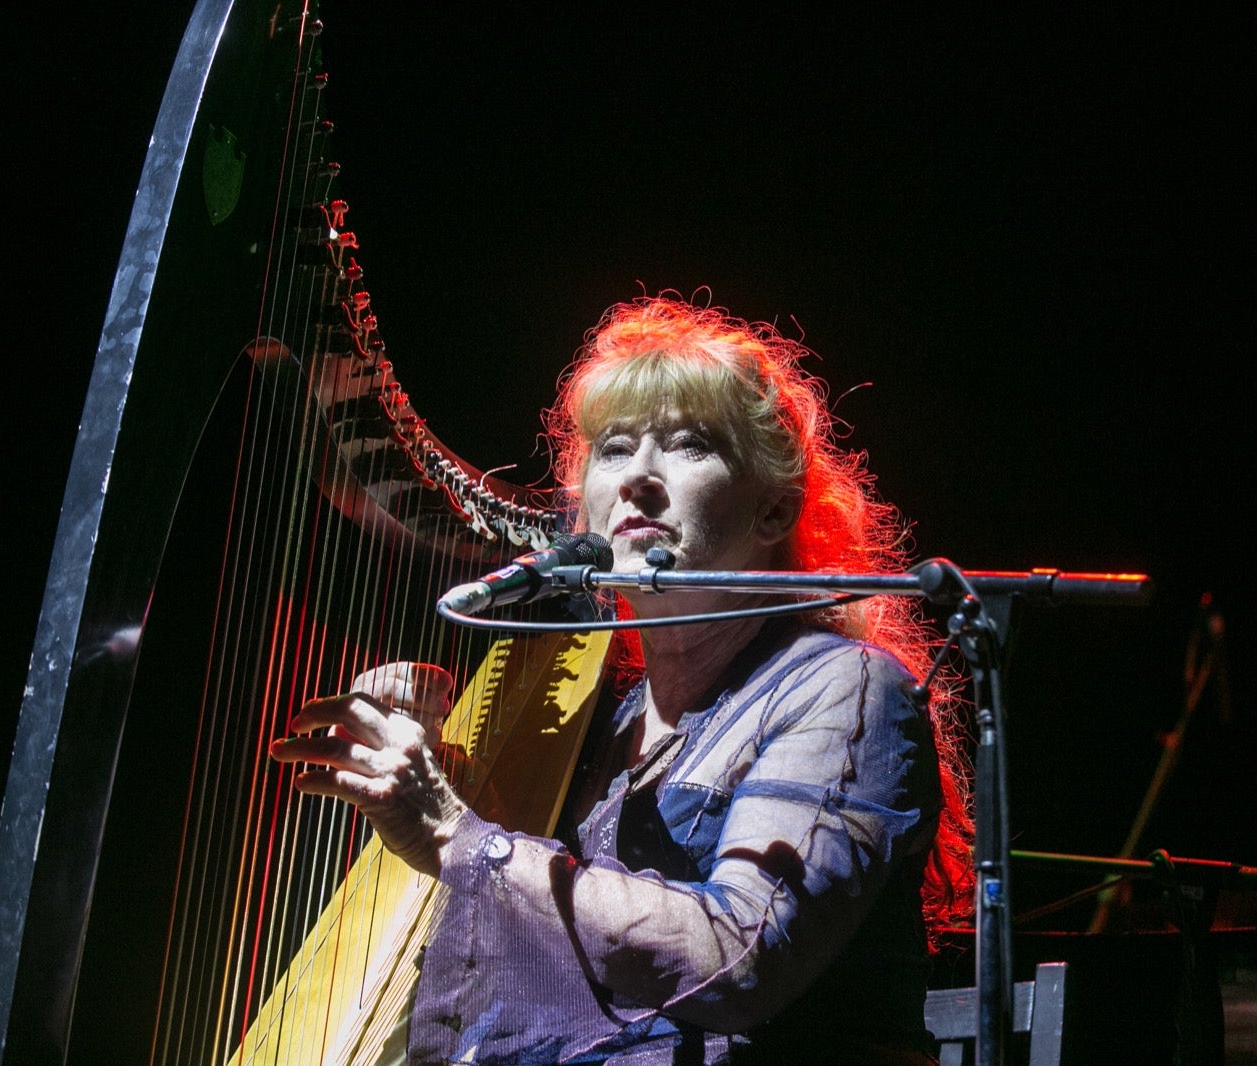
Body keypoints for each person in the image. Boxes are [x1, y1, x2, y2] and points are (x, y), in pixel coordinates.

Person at [270, 295, 973, 1064]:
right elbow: (552, 923)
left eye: (688, 445)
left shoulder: (848, 691)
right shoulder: (604, 731)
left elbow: (735, 958)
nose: (638, 476)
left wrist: (452, 829)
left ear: (775, 509)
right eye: (612, 449)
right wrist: (442, 774)